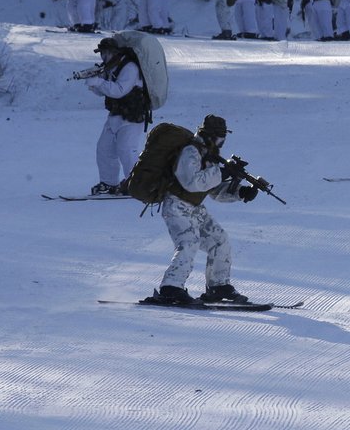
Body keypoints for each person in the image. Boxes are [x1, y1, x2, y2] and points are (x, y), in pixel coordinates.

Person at [154, 115, 258, 304]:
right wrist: (222, 173)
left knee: (220, 240)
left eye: (223, 137)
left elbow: (212, 190)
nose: (221, 141)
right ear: (208, 135)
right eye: (219, 137)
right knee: (189, 242)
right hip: (176, 206)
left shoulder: (208, 155)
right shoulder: (190, 152)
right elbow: (191, 182)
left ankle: (218, 286)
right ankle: (171, 287)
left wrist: (239, 193)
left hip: (194, 207)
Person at [85, 37, 150, 195]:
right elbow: (105, 92)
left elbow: (120, 90)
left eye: (104, 53)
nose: (102, 57)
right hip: (116, 114)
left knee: (126, 150)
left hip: (133, 115)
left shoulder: (130, 67)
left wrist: (99, 82)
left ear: (113, 52)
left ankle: (135, 184)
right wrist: (93, 83)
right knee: (104, 148)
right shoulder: (110, 67)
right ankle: (108, 183)